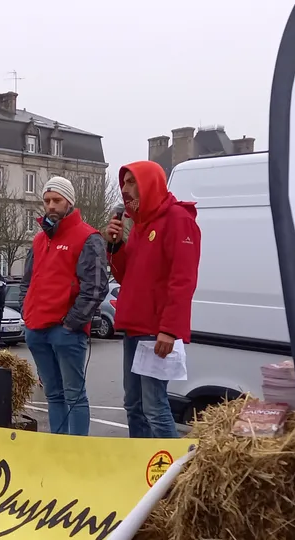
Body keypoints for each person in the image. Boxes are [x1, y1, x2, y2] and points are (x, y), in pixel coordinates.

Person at [104, 161, 201, 439]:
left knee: (155, 407)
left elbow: (183, 281)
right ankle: (141, 466)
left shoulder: (177, 220)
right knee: (133, 405)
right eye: (124, 183)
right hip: (134, 329)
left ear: (150, 184)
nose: (125, 189)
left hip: (155, 332)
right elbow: (127, 276)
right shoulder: (138, 225)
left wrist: (169, 329)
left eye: (132, 182)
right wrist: (115, 246)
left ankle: (170, 474)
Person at [18, 176, 108, 436]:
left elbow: (96, 286)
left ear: (69, 202)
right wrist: (28, 311)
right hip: (37, 329)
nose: (51, 206)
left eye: (56, 200)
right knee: (53, 394)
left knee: (74, 395)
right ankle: (58, 447)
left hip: (65, 330)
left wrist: (71, 323)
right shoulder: (38, 240)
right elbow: (28, 280)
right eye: (47, 201)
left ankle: (76, 451)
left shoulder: (88, 237)